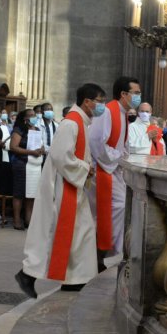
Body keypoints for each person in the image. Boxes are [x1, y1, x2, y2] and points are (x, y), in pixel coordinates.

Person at [15, 83, 104, 299]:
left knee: (82, 233)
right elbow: (60, 155)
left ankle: (75, 280)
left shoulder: (81, 121)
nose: (101, 106)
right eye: (100, 102)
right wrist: (85, 169)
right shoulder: (71, 123)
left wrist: (86, 168)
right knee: (56, 232)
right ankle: (28, 274)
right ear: (87, 102)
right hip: (64, 186)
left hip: (74, 184)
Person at [89, 76, 138, 263]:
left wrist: (124, 157)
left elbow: (122, 143)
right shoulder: (108, 112)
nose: (138, 96)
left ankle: (111, 253)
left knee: (121, 207)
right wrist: (118, 157)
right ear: (124, 94)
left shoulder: (123, 113)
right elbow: (95, 141)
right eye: (136, 93)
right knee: (115, 208)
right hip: (103, 169)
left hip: (114, 168)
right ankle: (107, 254)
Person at [8, 108, 44, 230]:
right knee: (19, 193)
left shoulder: (37, 130)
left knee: (32, 193)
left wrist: (41, 150)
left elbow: (41, 144)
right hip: (21, 164)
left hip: (35, 165)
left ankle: (29, 220)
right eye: (31, 115)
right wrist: (31, 152)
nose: (34, 117)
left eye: (35, 115)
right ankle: (17, 220)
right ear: (25, 118)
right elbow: (13, 147)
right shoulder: (19, 130)